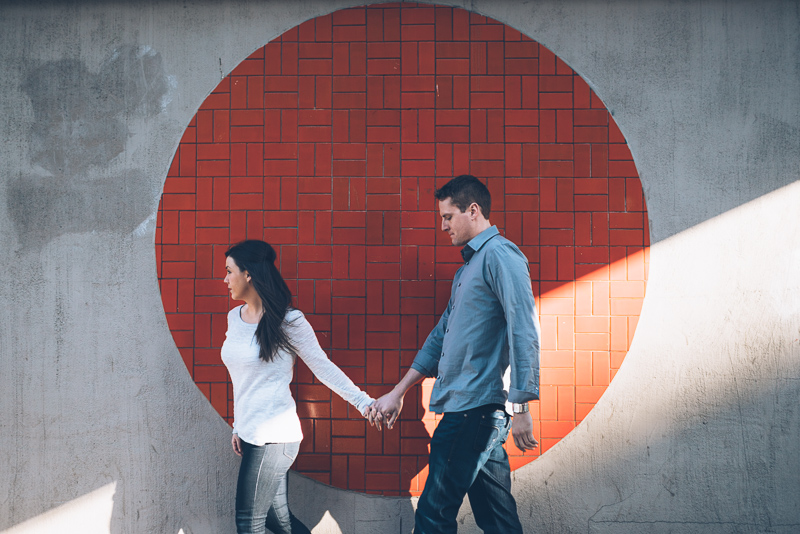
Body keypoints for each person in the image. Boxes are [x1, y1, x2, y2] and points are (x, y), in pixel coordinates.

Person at [368, 175, 541, 534]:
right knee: (497, 519)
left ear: (472, 210)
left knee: (433, 515)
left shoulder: (500, 255)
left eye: (448, 217)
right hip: (476, 413)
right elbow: (438, 339)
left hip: (472, 413)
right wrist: (399, 392)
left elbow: (523, 329)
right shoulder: (467, 271)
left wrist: (522, 406)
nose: (443, 226)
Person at [221, 240, 375, 534]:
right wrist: (237, 425)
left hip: (275, 438)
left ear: (248, 274)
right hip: (252, 433)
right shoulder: (234, 318)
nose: (225, 279)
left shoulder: (288, 321)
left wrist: (363, 402)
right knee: (278, 521)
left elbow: (323, 367)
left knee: (248, 524)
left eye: (230, 271)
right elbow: (240, 379)